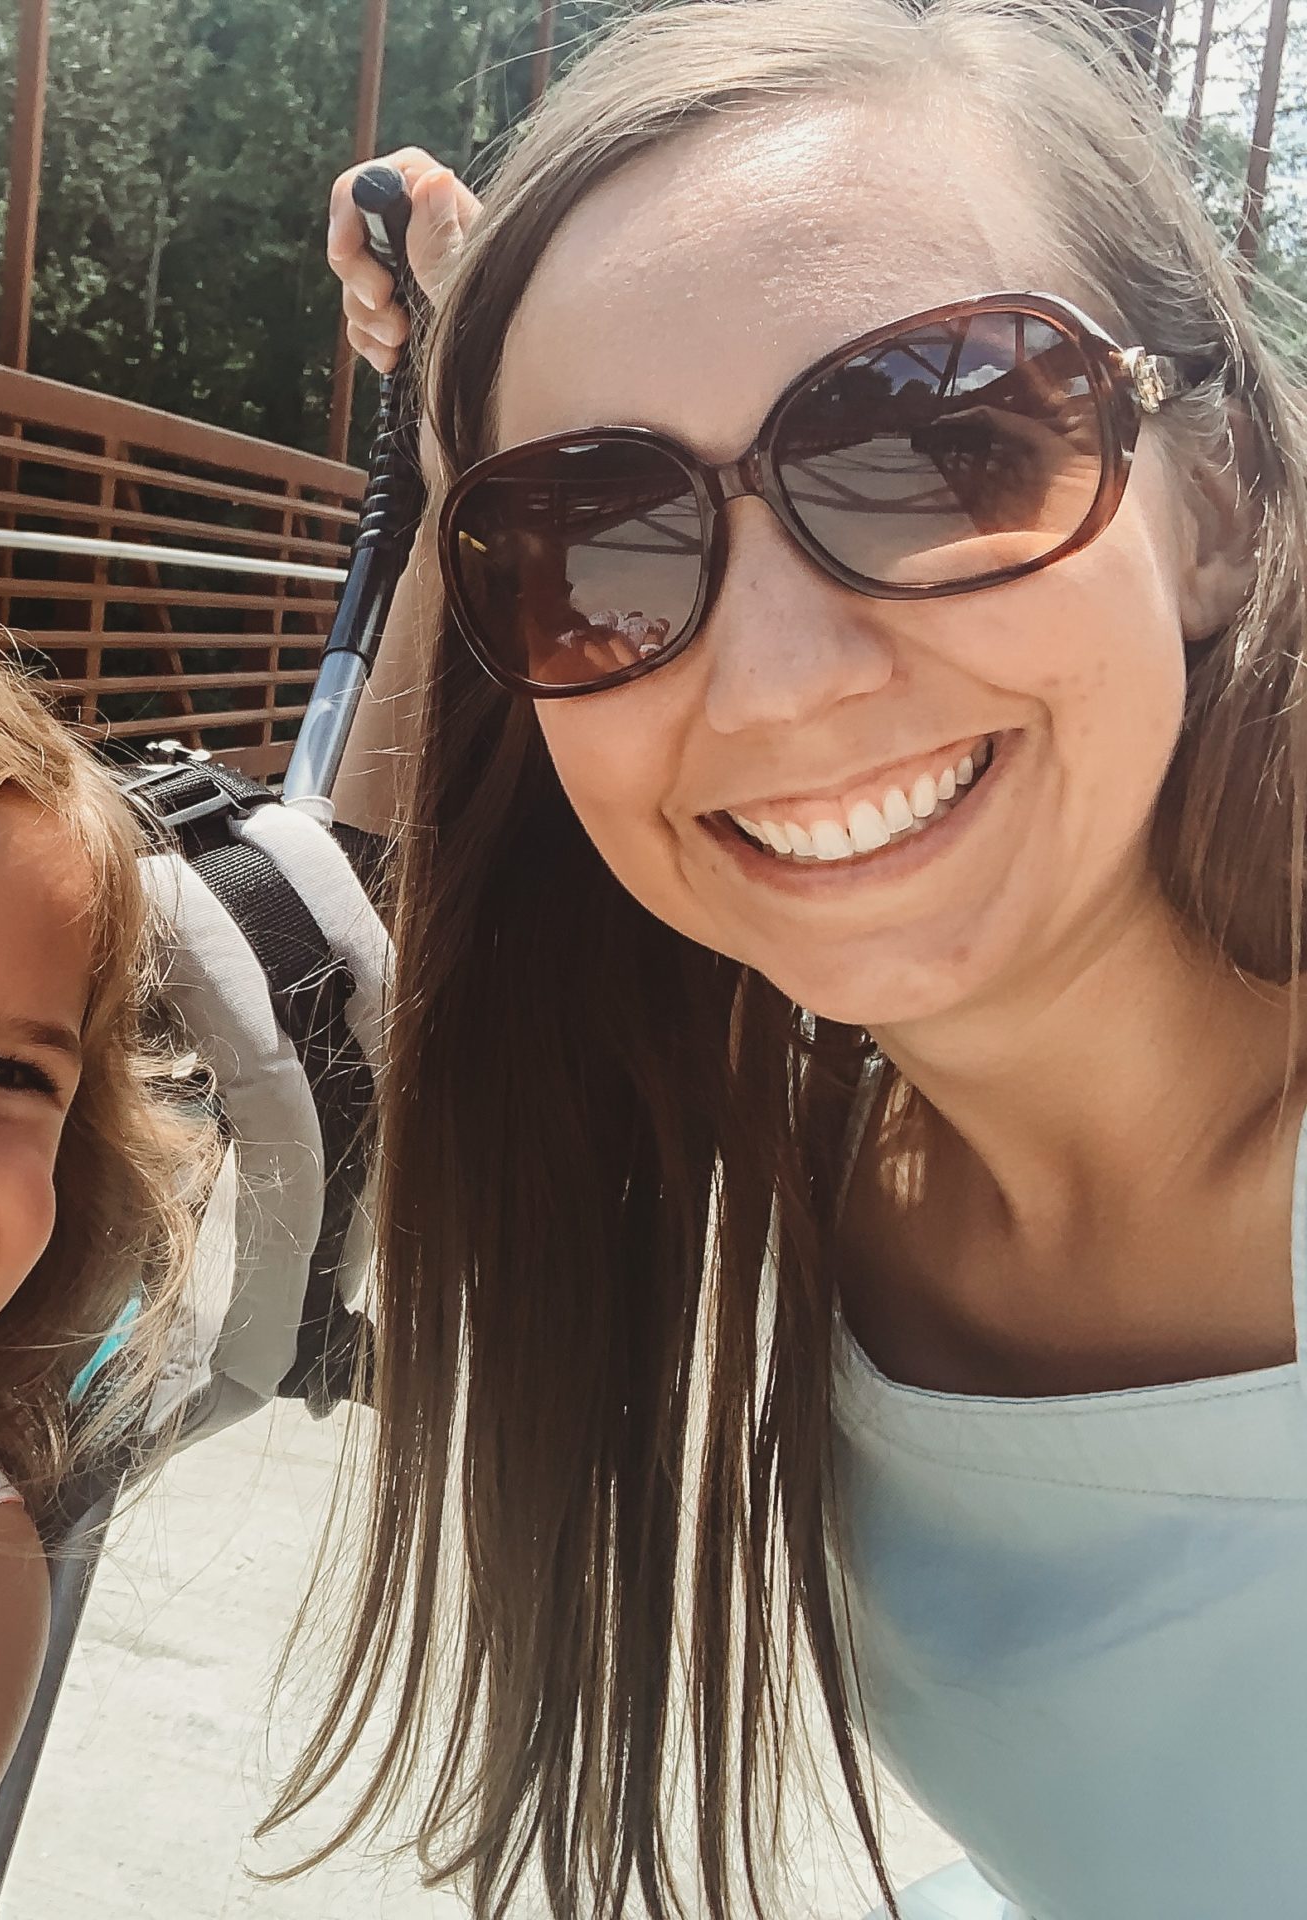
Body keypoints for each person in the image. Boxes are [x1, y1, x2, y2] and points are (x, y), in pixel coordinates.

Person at [284, 2, 1307, 1916]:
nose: (773, 681)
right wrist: (459, 444)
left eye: (940, 444)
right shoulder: (812, 1163)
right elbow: (372, 889)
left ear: (1223, 501)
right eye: (597, 541)